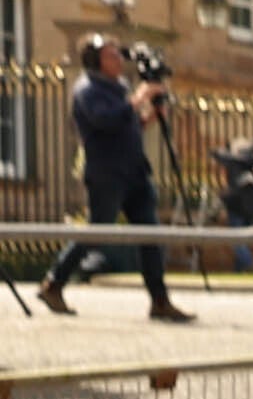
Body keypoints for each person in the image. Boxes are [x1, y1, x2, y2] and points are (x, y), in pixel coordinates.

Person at [50, 39, 196, 321]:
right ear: (96, 61)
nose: (119, 59)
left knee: (150, 235)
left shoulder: (117, 88)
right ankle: (54, 282)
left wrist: (149, 118)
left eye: (118, 54)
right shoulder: (87, 90)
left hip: (134, 173)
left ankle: (159, 300)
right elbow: (105, 122)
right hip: (107, 173)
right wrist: (139, 98)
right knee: (98, 230)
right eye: (111, 55)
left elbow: (125, 126)